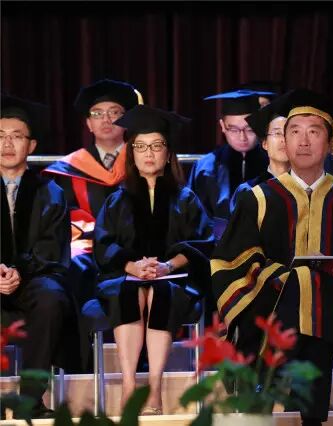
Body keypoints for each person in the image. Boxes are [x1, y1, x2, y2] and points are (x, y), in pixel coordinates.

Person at [211, 89, 333, 426]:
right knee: (297, 299)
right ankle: (258, 411)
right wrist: (284, 278)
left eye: (313, 131)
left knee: (316, 301)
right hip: (269, 304)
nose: (303, 141)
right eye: (293, 131)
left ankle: (311, 417)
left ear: (331, 141)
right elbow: (233, 261)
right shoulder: (258, 199)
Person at [93, 105, 214, 414]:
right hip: (125, 277)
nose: (149, 153)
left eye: (157, 145)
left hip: (174, 279)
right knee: (131, 291)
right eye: (141, 146)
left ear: (168, 153)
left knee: (160, 291)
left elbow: (203, 244)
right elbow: (103, 244)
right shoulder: (117, 200)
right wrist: (132, 266)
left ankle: (155, 387)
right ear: (131, 154)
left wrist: (167, 266)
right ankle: (129, 385)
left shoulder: (186, 199)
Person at [1, 95, 74, 418]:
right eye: (0, 136)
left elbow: (51, 246)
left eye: (16, 136)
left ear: (31, 145)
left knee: (51, 297)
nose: (7, 144)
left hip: (32, 281)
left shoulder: (50, 191)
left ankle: (30, 401)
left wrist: (19, 270)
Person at [42, 79, 142, 310]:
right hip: (87, 245)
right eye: (97, 113)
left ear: (126, 121)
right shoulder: (68, 168)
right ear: (89, 123)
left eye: (114, 112)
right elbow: (65, 214)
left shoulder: (142, 162)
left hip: (133, 245)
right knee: (73, 264)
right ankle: (81, 331)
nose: (106, 119)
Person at [187, 89, 270, 220]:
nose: (242, 137)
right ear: (222, 126)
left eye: (249, 129)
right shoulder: (205, 167)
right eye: (234, 129)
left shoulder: (273, 163)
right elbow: (192, 216)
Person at [229, 99, 289, 212]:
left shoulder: (310, 189)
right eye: (277, 133)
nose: (284, 140)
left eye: (291, 133)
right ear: (265, 143)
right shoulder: (248, 191)